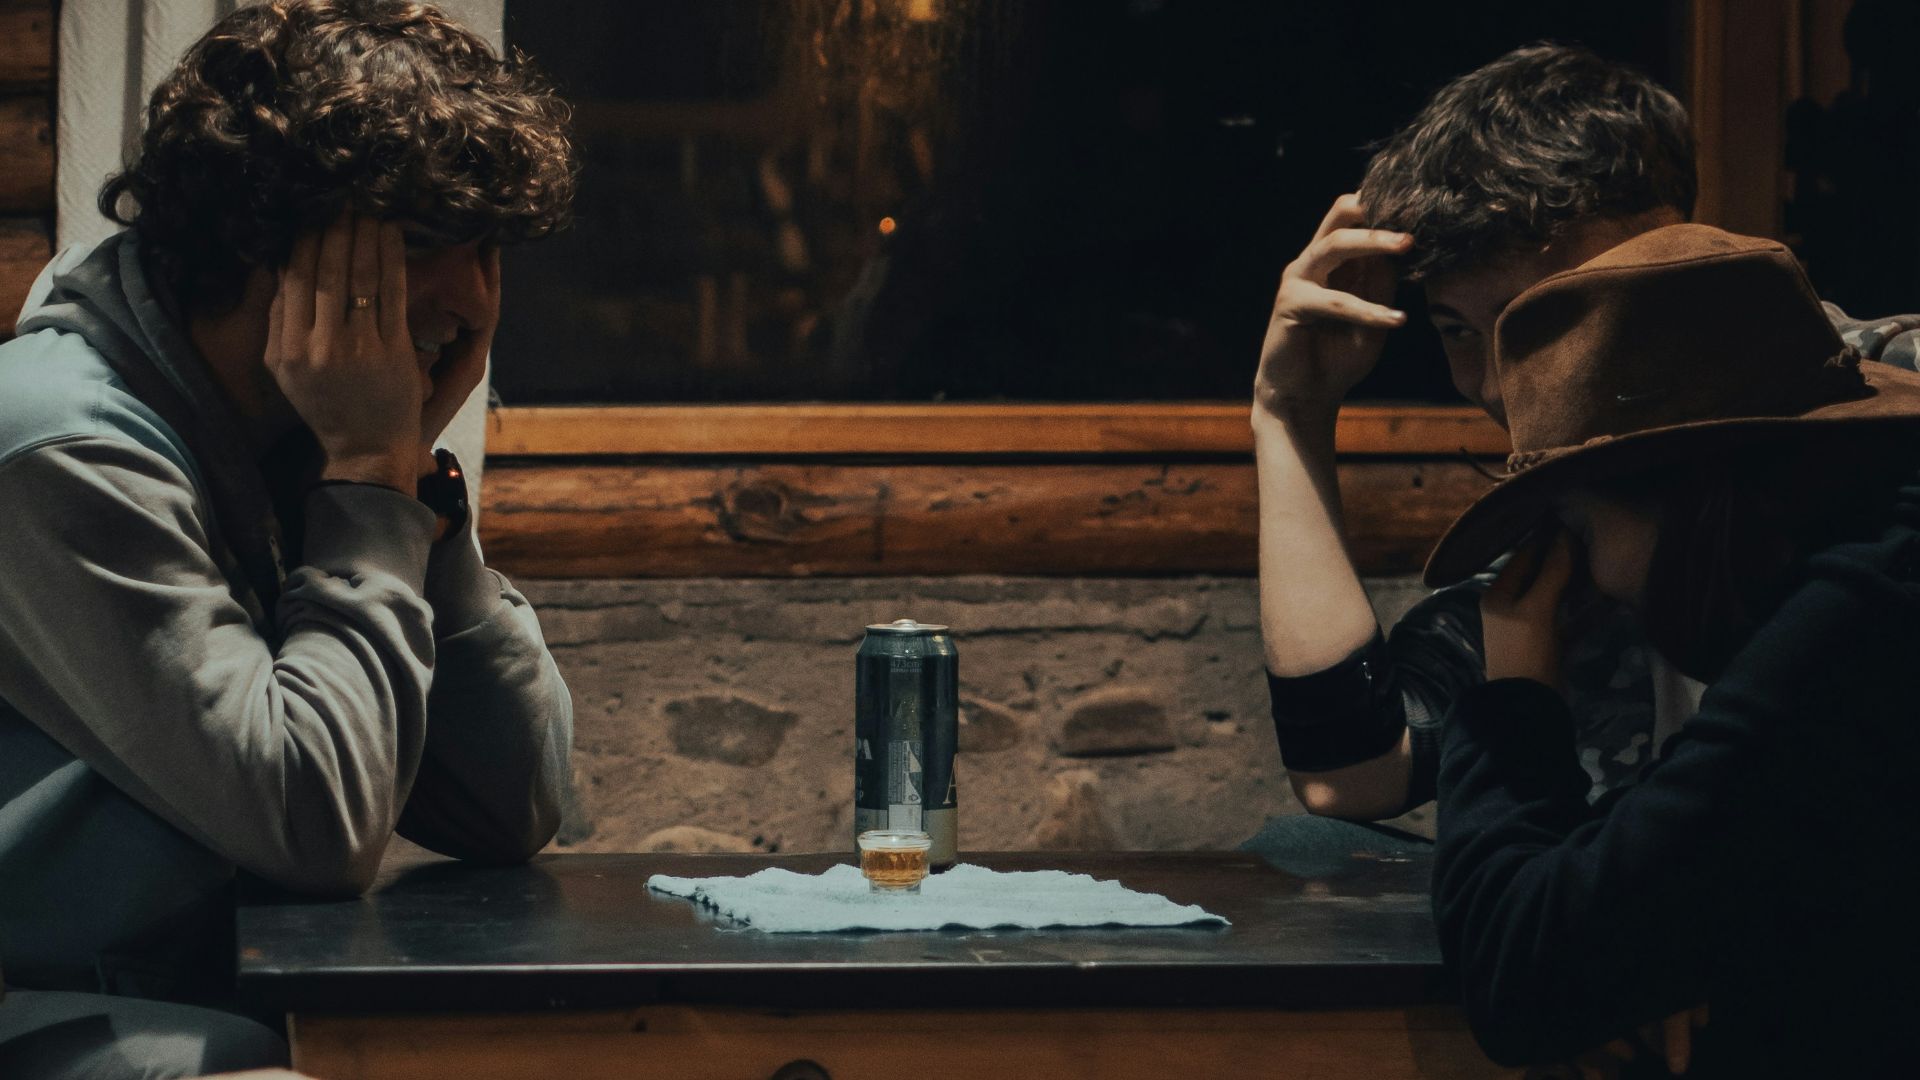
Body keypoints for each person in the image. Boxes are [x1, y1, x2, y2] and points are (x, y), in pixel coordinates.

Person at [0, 1, 577, 1075]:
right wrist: (367, 481)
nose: (469, 298)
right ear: (260, 248)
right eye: (417, 248)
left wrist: (412, 486)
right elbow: (316, 829)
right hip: (43, 1007)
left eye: (484, 249)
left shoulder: (288, 422)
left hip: (235, 991)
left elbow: (514, 808)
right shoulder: (57, 448)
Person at [1248, 43, 1920, 837]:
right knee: (1302, 842)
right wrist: (1289, 415)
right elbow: (1353, 774)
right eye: (1460, 331)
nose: (1500, 386)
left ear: (1666, 243)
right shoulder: (1576, 511)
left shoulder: (1879, 393)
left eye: (1542, 319)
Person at [1423, 223, 1920, 1076]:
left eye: (1578, 527)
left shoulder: (1856, 628)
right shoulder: (1872, 567)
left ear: (1684, 501)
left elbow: (1526, 975)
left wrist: (1512, 696)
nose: (1582, 571)